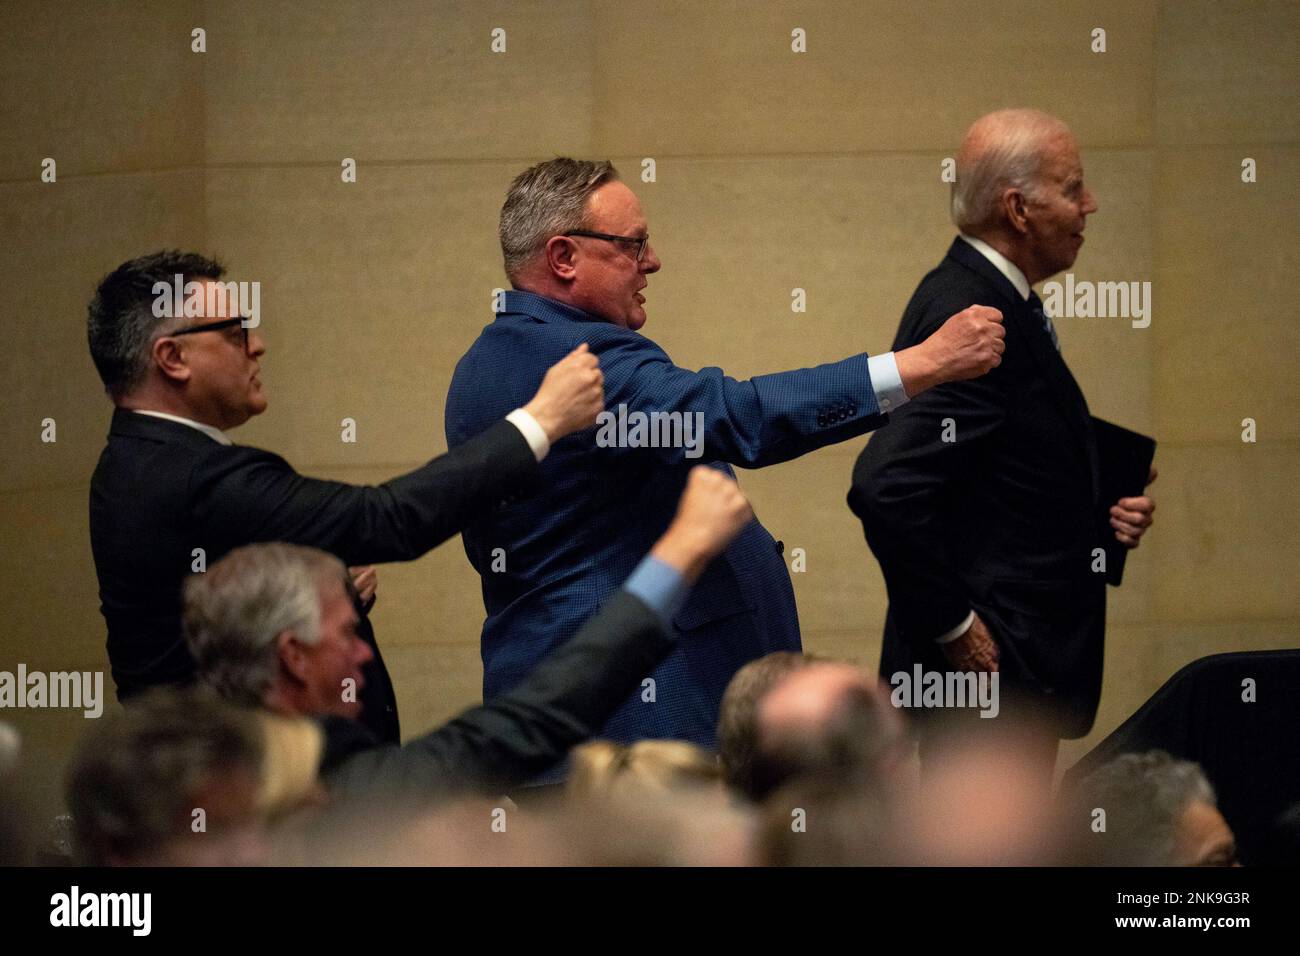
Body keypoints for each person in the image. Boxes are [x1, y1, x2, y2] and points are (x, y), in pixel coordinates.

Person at [446, 157, 1006, 755]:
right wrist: (921, 364)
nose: (652, 261)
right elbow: (732, 415)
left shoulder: (491, 361)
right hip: (633, 734)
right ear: (563, 258)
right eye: (633, 244)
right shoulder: (576, 363)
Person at [86, 250, 603, 743]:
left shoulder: (132, 460)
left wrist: (307, 606)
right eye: (235, 332)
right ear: (173, 358)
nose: (258, 344)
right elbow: (386, 519)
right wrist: (541, 422)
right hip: (238, 796)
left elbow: (206, 626)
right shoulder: (190, 475)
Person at [848, 110, 1157, 779]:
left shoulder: (1002, 298)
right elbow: (886, 485)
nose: (1091, 205)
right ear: (1018, 209)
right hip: (985, 679)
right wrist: (954, 626)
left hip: (1005, 679)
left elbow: (992, 459)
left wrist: (1100, 507)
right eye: (1073, 188)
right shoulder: (974, 310)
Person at [183, 466, 755, 803]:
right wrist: (682, 552)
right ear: (293, 657)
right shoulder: (348, 791)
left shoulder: (171, 781)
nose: (363, 653)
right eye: (348, 632)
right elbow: (542, 712)